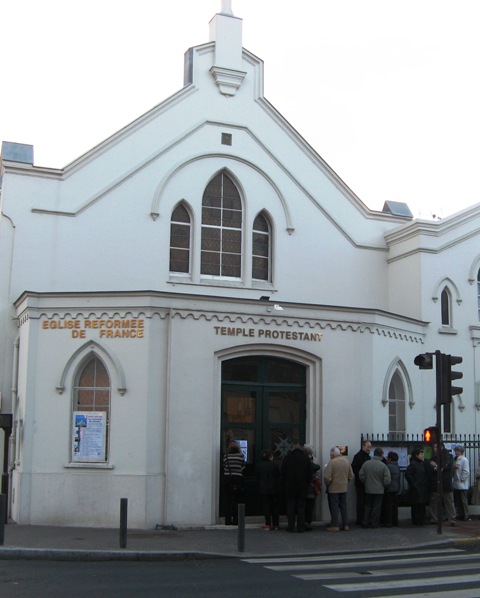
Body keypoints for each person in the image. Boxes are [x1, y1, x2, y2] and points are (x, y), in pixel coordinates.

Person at [281, 440, 312, 533]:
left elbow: (282, 473)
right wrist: (307, 484)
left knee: (290, 507)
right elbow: (309, 474)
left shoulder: (287, 458)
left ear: (292, 448)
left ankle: (290, 526)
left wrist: (284, 484)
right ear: (300, 447)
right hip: (302, 487)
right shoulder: (306, 458)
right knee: (301, 508)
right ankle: (300, 527)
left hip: (290, 487)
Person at [359, 447, 391, 528]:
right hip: (379, 490)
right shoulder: (383, 466)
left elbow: (361, 475)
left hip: (368, 489)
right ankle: (374, 523)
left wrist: (365, 482)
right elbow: (387, 480)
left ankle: (365, 522)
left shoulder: (366, 464)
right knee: (377, 507)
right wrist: (383, 485)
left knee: (367, 506)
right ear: (381, 455)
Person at [425, 442, 456, 526]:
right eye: (434, 447)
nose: (435, 449)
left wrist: (436, 466)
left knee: (449, 501)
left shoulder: (448, 456)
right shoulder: (431, 457)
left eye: (437, 447)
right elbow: (428, 467)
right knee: (434, 501)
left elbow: (446, 466)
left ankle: (452, 519)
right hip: (435, 483)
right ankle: (434, 518)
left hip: (445, 483)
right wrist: (438, 467)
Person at [324, 446, 354, 532]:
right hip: (343, 488)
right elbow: (351, 475)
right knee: (343, 506)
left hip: (333, 488)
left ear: (334, 454)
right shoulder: (346, 461)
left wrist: (328, 484)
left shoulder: (332, 462)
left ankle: (335, 525)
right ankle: (345, 525)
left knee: (334, 507)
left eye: (331, 455)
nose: (330, 456)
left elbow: (327, 477)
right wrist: (345, 482)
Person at [256, 449, 281, 530]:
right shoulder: (276, 465)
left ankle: (268, 523)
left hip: (263, 488)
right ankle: (276, 523)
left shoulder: (259, 465)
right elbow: (279, 476)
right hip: (274, 488)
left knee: (266, 507)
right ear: (271, 456)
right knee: (275, 507)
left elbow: (257, 477)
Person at [223, 441, 245, 525]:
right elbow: (243, 467)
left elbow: (224, 466)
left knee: (227, 500)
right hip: (238, 478)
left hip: (227, 478)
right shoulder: (241, 456)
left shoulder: (226, 456)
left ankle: (227, 520)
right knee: (237, 500)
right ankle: (236, 520)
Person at [405, 447, 428, 526]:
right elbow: (408, 474)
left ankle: (421, 520)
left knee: (421, 506)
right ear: (416, 455)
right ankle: (417, 521)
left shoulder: (421, 464)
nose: (422, 456)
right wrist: (414, 483)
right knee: (416, 506)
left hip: (421, 487)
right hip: (416, 488)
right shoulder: (413, 464)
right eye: (421, 454)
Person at [351, 439, 372, 525]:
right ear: (363, 446)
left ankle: (364, 518)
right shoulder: (358, 456)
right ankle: (361, 519)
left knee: (365, 502)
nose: (369, 449)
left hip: (364, 482)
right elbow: (354, 469)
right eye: (368, 447)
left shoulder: (367, 456)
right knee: (361, 501)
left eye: (370, 447)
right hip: (361, 483)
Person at [303, 445, 321, 531]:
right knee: (308, 505)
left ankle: (307, 522)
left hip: (309, 485)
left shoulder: (314, 460)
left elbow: (318, 470)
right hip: (311, 486)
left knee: (308, 506)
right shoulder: (310, 461)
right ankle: (306, 522)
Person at [382, 451, 400, 527]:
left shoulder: (388, 466)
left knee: (388, 506)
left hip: (389, 488)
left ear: (389, 458)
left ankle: (389, 521)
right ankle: (395, 521)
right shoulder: (397, 466)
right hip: (396, 488)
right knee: (395, 506)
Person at [453, 444, 471, 521]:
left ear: (461, 451)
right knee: (459, 501)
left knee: (463, 500)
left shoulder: (464, 460)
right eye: (456, 451)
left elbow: (466, 472)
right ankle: (460, 514)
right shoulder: (456, 459)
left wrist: (461, 479)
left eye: (457, 451)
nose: (456, 452)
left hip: (462, 484)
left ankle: (465, 515)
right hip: (457, 483)